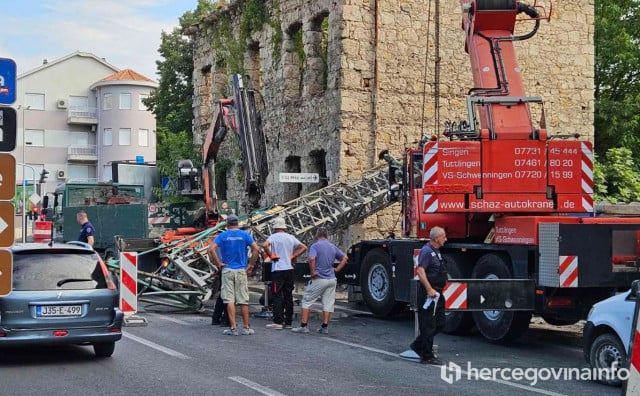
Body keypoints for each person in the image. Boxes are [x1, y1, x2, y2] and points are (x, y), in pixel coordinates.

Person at [209, 214, 260, 336]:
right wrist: (251, 265)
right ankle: (246, 327)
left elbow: (211, 250)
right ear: (237, 223)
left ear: (227, 224)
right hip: (241, 270)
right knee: (243, 299)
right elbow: (256, 249)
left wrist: (219, 263)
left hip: (227, 270)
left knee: (229, 299)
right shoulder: (244, 235)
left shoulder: (223, 236)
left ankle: (233, 328)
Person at [291, 227, 348, 334]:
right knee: (328, 303)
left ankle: (304, 326)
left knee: (307, 300)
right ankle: (324, 327)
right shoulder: (332, 246)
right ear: (326, 235)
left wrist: (313, 272)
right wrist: (337, 269)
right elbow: (345, 258)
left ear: (317, 235)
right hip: (331, 278)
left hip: (319, 278)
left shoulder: (315, 246)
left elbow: (312, 258)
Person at [410, 226, 448, 365]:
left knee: (440, 323)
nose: (446, 239)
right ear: (437, 238)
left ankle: (417, 345)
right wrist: (429, 289)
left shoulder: (436, 251)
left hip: (437, 293)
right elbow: (420, 271)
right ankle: (427, 356)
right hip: (429, 294)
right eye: (444, 236)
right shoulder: (427, 251)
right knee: (428, 325)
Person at [262, 217, 307, 329]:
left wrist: (271, 255)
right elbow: (304, 247)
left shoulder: (273, 237)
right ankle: (288, 322)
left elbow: (265, 245)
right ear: (284, 227)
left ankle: (278, 321)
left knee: (277, 295)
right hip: (289, 268)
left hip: (278, 269)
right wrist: (294, 255)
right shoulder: (291, 237)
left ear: (275, 227)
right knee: (288, 295)